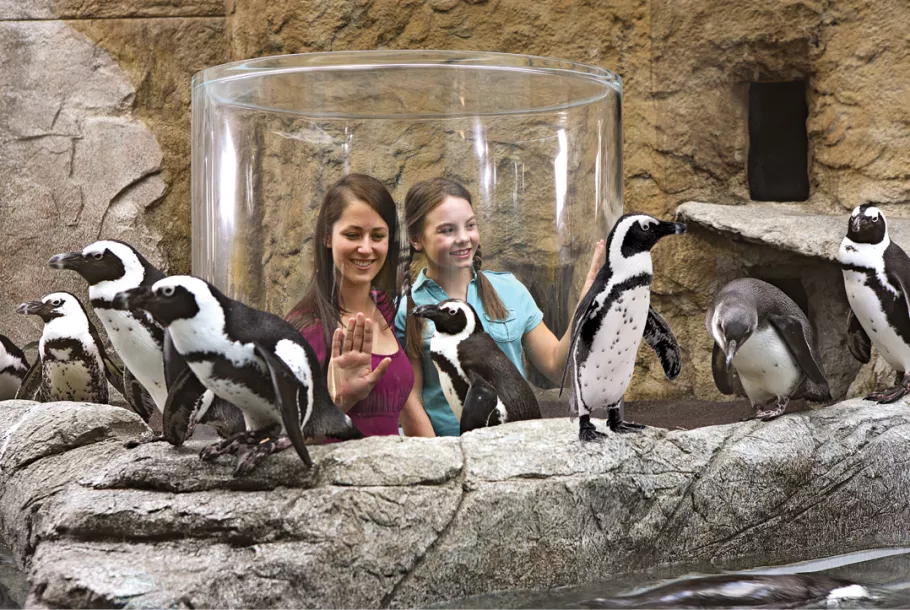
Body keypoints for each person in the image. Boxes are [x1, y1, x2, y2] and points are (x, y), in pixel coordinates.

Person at [395, 177, 605, 436]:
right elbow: (410, 400)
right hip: (449, 448)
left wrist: (584, 308)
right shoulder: (409, 308)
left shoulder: (509, 291)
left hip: (516, 445)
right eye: (447, 230)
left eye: (470, 225)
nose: (463, 238)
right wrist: (441, 461)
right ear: (417, 239)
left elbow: (555, 365)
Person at [286, 173, 434, 438]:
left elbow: (409, 407)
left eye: (377, 236)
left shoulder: (385, 307)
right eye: (353, 234)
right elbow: (289, 445)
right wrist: (342, 399)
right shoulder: (306, 329)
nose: (366, 249)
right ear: (327, 237)